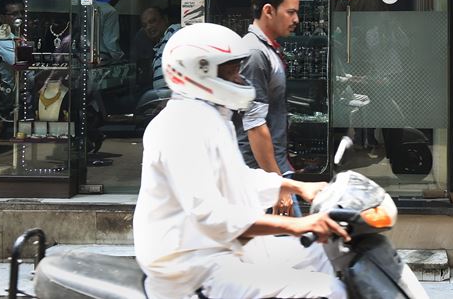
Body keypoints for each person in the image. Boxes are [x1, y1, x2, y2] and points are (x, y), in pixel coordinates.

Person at [133, 22, 348, 299]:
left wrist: (295, 187)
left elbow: (236, 179)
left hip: (224, 250)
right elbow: (209, 213)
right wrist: (296, 225)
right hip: (194, 271)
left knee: (320, 253)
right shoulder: (180, 126)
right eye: (231, 69)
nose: (239, 77)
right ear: (200, 70)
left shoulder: (210, 117)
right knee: (331, 291)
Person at [238, 0, 300, 216]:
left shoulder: (267, 49)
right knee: (291, 246)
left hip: (272, 169)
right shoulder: (254, 53)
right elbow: (254, 125)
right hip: (261, 176)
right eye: (291, 12)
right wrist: (277, 187)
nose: (296, 20)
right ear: (268, 10)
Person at [0, 0, 24, 85]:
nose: (20, 16)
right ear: (2, 18)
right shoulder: (2, 39)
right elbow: (19, 64)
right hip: (7, 90)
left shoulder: (21, 34)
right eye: (14, 14)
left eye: (22, 12)